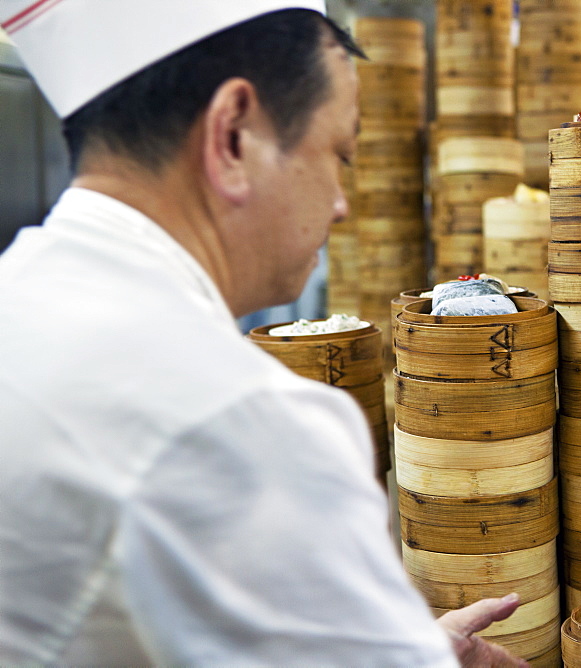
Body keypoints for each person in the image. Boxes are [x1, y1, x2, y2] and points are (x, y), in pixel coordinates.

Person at [0, 2, 527, 666]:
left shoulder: (17, 294)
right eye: (339, 153)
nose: (340, 202)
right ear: (232, 138)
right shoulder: (245, 421)